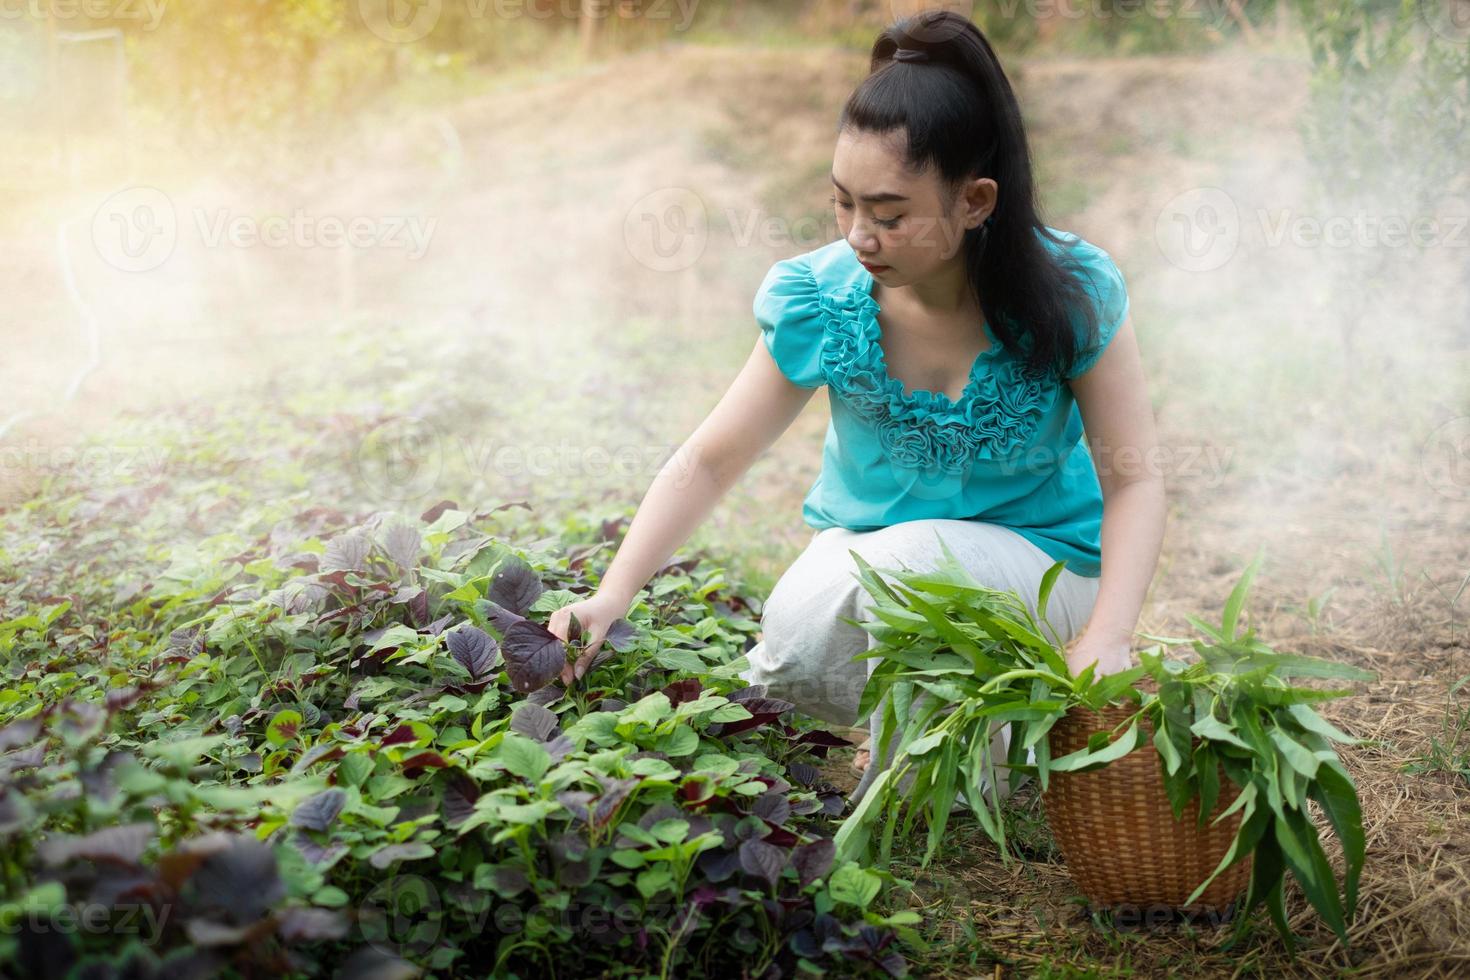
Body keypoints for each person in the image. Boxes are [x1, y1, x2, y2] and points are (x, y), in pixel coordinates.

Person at [548, 9, 1165, 807]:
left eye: (889, 212)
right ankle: (976, 739)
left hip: (1043, 572)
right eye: (843, 204)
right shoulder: (825, 299)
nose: (859, 235)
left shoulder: (1069, 290)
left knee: (916, 565)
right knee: (798, 637)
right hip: (877, 570)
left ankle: (942, 781)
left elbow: (1135, 481)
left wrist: (1107, 636)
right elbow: (712, 458)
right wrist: (611, 593)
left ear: (975, 201)